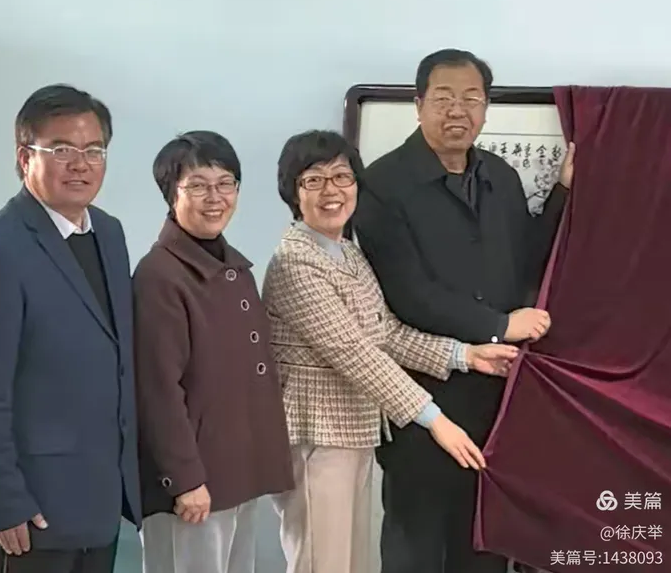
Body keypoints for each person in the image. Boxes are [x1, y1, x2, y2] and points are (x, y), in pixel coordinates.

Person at [352, 49, 576, 573]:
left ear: (485, 108)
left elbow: (527, 259)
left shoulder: (500, 175)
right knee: (417, 547)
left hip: (497, 400)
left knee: (484, 546)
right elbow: (407, 293)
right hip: (424, 399)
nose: (458, 110)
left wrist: (564, 191)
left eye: (472, 98)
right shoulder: (382, 185)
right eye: (444, 98)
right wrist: (498, 326)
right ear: (418, 105)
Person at [262, 130, 521, 573]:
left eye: (342, 177)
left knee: (349, 563)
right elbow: (357, 355)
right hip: (315, 439)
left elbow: (388, 335)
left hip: (353, 434)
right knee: (321, 564)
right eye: (314, 180)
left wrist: (466, 355)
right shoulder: (295, 263)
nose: (331, 191)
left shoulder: (346, 252)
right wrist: (436, 420)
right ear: (293, 193)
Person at [0, 84, 141, 573]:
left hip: (101, 497)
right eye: (61, 150)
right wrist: (2, 501)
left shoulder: (109, 233)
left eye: (93, 150)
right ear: (24, 157)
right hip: (35, 509)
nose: (80, 164)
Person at [132, 131, 294, 573]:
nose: (215, 197)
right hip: (192, 483)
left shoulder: (233, 269)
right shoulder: (159, 275)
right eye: (198, 185)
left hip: (234, 471)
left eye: (226, 183)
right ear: (171, 193)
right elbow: (157, 391)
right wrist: (185, 479)